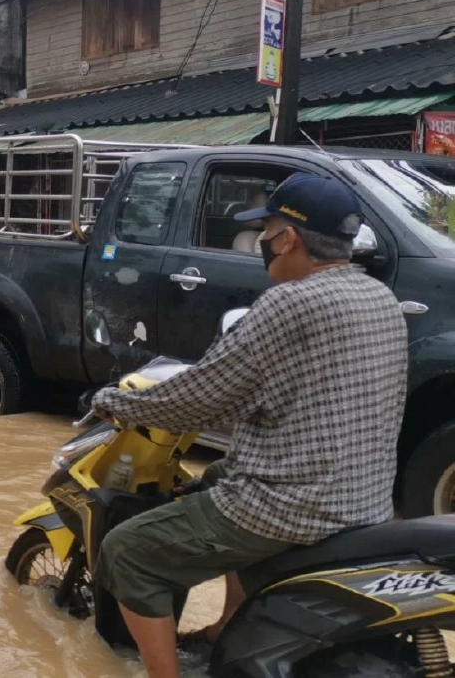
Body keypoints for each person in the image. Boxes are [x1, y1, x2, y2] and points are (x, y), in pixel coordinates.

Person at [91, 173, 407, 678]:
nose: (260, 241)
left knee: (128, 551)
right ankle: (224, 630)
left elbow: (196, 400)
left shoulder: (290, 302)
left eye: (265, 229)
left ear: (288, 239)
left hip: (295, 506)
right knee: (217, 478)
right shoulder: (379, 298)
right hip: (363, 499)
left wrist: (114, 403)